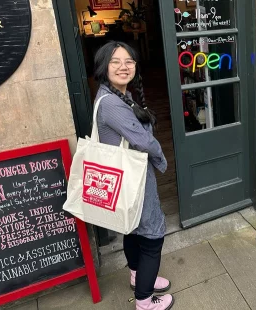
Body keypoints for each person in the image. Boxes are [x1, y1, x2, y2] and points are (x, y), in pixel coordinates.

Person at [93, 41, 174, 310]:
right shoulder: (111, 105)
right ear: (104, 67)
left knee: (132, 229)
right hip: (133, 182)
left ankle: (138, 276)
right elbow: (144, 142)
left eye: (129, 61)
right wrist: (161, 158)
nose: (123, 67)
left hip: (125, 181)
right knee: (152, 236)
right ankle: (144, 303)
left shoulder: (115, 95)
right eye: (115, 61)